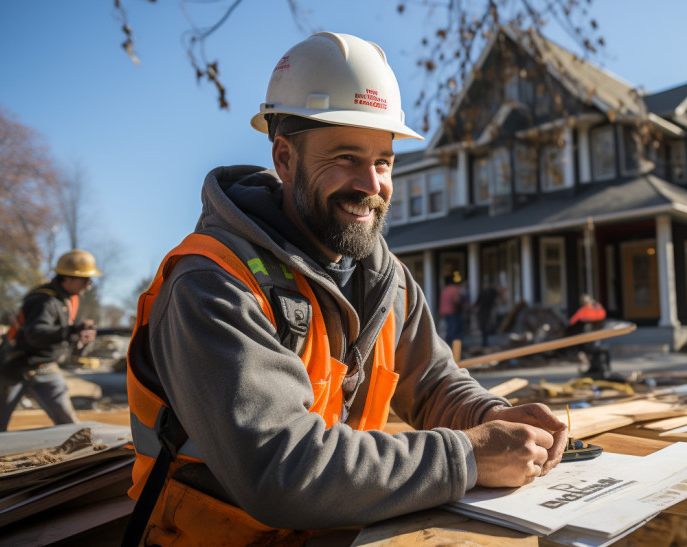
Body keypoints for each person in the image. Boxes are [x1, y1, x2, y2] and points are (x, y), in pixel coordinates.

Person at [123, 31, 567, 546]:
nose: (371, 184)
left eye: (383, 161)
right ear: (284, 159)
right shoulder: (214, 284)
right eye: (345, 158)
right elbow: (280, 469)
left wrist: (491, 417)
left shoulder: (384, 280)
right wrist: (467, 455)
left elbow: (434, 384)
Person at [0, 250, 100, 434]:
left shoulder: (69, 299)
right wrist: (71, 332)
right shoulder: (43, 300)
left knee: (68, 422)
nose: (89, 284)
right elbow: (36, 335)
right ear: (67, 278)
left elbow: (58, 332)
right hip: (16, 366)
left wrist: (78, 333)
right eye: (85, 279)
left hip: (46, 366)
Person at [568, 294, 609, 379]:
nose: (587, 303)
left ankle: (591, 365)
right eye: (585, 302)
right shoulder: (583, 310)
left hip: (594, 335)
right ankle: (587, 365)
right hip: (585, 337)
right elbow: (573, 321)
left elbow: (601, 316)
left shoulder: (596, 308)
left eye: (588, 300)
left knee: (593, 350)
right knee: (582, 349)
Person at [439, 271, 467, 346]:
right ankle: (454, 347)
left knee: (449, 329)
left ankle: (449, 346)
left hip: (445, 312)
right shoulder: (455, 289)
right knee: (454, 330)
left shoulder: (445, 289)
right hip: (453, 312)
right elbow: (457, 300)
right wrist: (463, 306)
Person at [474, 278, 501, 347]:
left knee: (488, 326)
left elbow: (498, 297)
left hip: (490, 311)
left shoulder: (492, 292)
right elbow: (478, 302)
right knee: (484, 327)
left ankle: (487, 341)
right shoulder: (483, 292)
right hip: (483, 312)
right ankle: (485, 342)